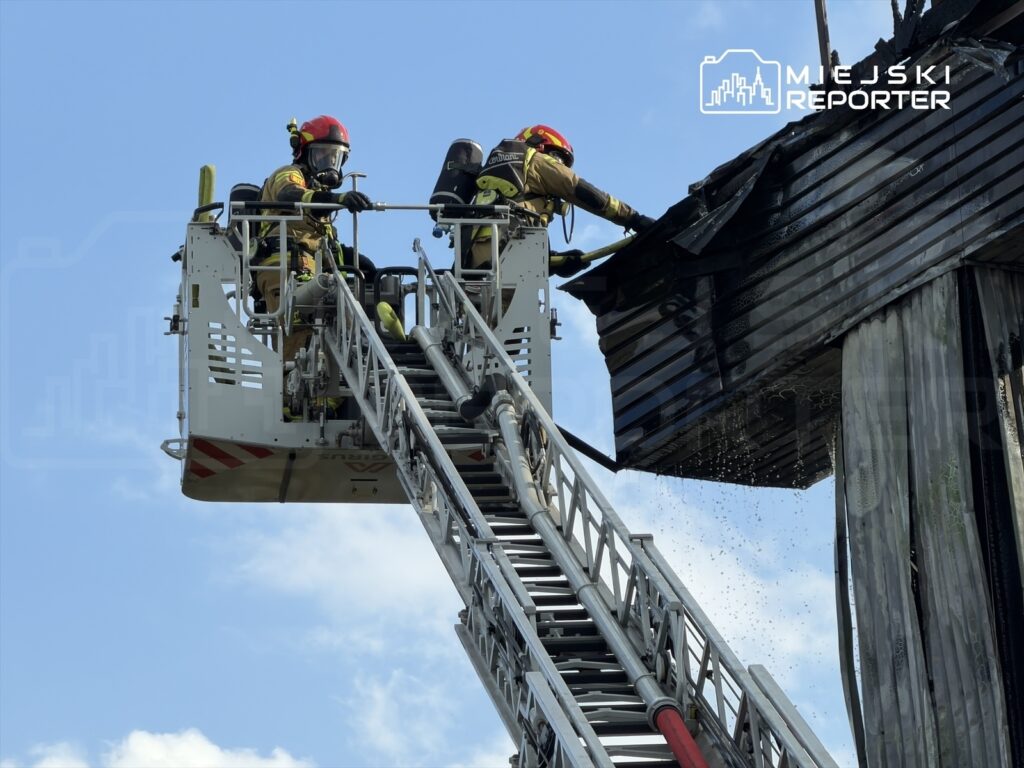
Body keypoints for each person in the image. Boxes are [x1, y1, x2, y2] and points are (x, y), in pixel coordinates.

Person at [254, 115, 374, 363]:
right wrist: (337, 200)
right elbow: (290, 195)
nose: (329, 164)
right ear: (304, 153)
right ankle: (286, 395)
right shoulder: (287, 175)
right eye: (322, 156)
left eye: (335, 157)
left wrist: (366, 267)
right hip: (283, 271)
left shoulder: (323, 203)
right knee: (297, 344)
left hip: (315, 272)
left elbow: (328, 249)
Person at [470, 124, 655, 277]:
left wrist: (554, 262)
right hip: (507, 261)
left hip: (476, 266)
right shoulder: (537, 159)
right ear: (541, 146)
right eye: (559, 159)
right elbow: (583, 191)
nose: (561, 166)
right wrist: (634, 219)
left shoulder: (490, 185)